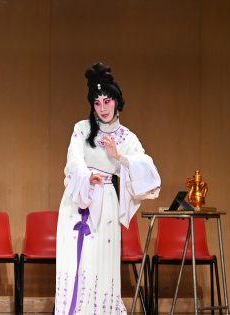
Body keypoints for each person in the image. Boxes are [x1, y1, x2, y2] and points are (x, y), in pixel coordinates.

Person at [54, 62, 160, 315]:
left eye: (107, 101)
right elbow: (74, 159)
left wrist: (119, 157)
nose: (102, 108)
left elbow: (149, 172)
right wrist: (86, 176)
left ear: (117, 102)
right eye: (97, 102)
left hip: (107, 201)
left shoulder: (127, 137)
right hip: (78, 199)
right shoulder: (82, 128)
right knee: (74, 262)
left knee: (99, 260)